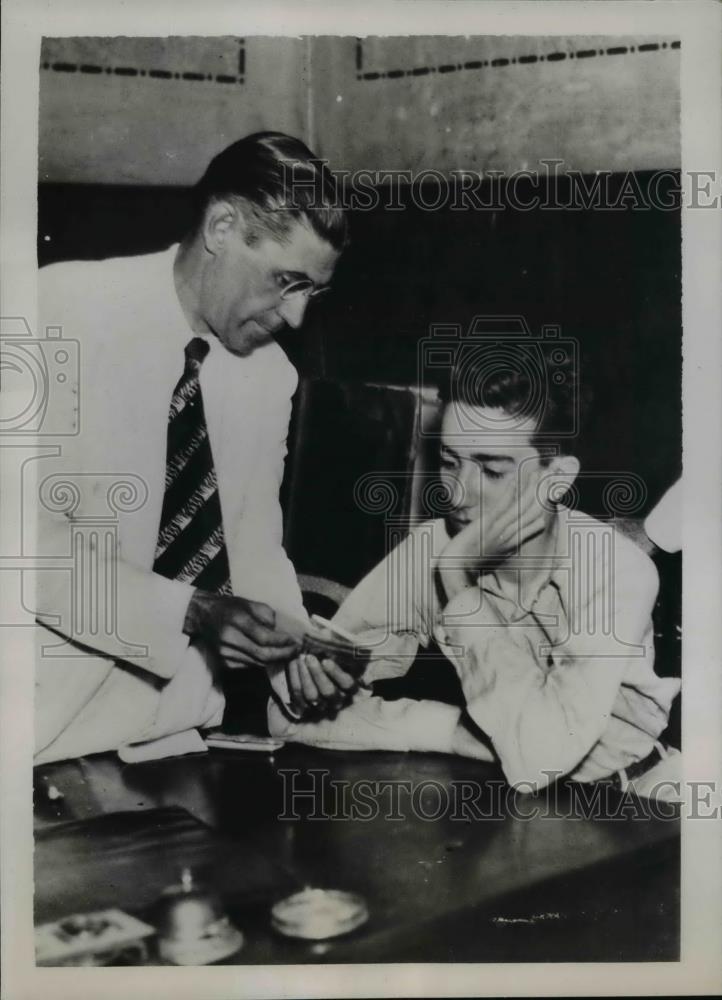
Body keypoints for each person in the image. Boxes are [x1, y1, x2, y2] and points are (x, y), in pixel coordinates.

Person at [34, 132, 356, 764]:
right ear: (222, 226)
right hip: (44, 731)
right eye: (286, 280)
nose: (295, 318)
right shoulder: (57, 312)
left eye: (311, 292)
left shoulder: (270, 376)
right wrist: (189, 610)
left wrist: (291, 650)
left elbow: (253, 546)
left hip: (176, 730)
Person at [269, 347, 682, 800]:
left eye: (490, 469)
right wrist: (453, 731)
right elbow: (291, 715)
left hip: (637, 797)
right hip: (506, 798)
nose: (458, 493)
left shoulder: (617, 570)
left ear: (556, 479)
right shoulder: (434, 547)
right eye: (449, 462)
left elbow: (537, 758)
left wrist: (459, 584)